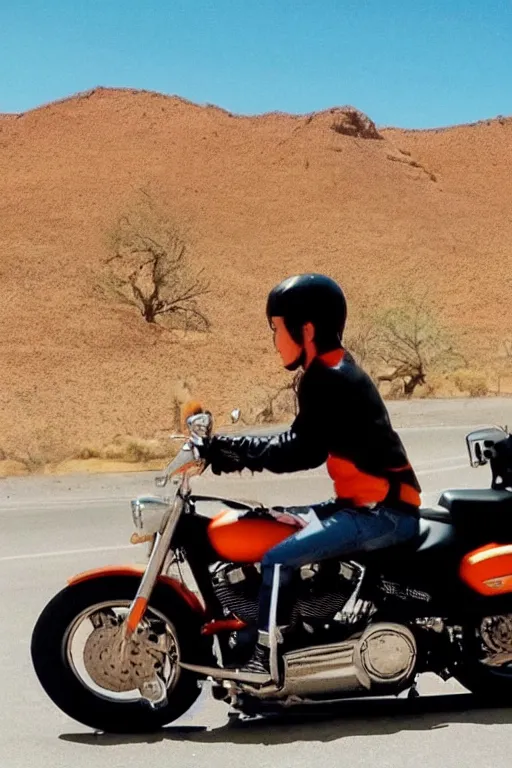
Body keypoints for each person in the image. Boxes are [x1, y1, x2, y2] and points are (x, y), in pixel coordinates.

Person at [205, 274, 421, 683]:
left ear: (306, 329)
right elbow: (301, 442)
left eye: (276, 328)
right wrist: (228, 449)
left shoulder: (331, 377)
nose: (275, 340)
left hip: (383, 513)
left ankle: (264, 662)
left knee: (278, 556)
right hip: (362, 504)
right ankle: (293, 631)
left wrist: (228, 452)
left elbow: (300, 450)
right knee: (274, 523)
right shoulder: (330, 368)